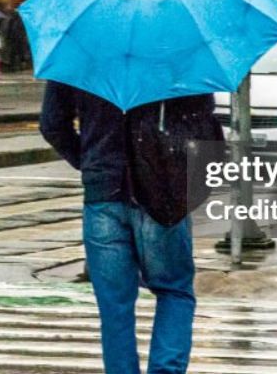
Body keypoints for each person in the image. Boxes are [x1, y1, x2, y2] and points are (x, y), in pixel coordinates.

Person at [39, 81, 197, 374]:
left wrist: (90, 164)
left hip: (103, 194)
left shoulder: (79, 51)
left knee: (114, 306)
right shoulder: (180, 50)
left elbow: (52, 125)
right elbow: (201, 126)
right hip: (163, 193)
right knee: (174, 290)